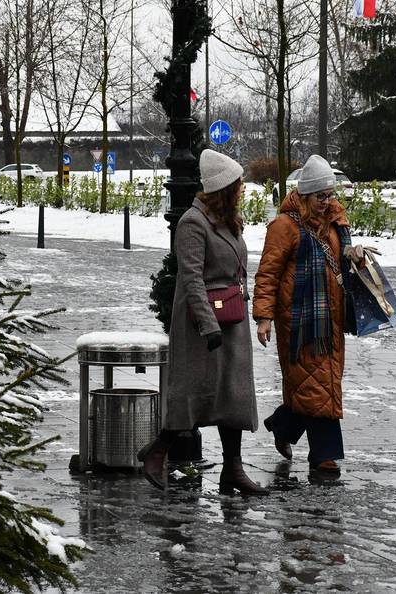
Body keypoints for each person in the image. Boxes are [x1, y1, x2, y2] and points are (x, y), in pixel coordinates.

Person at [138, 149, 267, 495]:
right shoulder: (193, 223)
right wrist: (208, 325)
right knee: (193, 394)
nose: (242, 189)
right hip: (202, 324)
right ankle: (157, 451)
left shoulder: (227, 221)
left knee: (233, 395)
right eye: (238, 184)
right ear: (224, 188)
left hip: (233, 319)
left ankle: (233, 469)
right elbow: (191, 279)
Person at [253, 154, 373, 474]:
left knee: (317, 384)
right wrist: (263, 317)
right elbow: (268, 274)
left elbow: (339, 263)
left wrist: (354, 255)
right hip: (299, 323)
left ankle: (284, 425)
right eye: (321, 196)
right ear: (305, 195)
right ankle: (324, 456)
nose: (327, 201)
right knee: (317, 385)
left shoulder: (335, 224)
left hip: (329, 320)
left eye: (331, 195)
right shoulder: (284, 226)